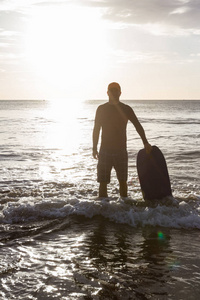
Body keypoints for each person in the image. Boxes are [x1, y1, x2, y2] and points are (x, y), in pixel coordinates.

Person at [92, 82, 152, 198]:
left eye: (116, 90)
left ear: (120, 93)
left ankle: (124, 210)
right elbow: (96, 129)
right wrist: (94, 148)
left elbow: (137, 125)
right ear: (107, 93)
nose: (114, 93)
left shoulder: (126, 109)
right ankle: (103, 210)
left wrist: (145, 142)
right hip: (104, 151)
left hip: (121, 151)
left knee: (123, 181)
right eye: (111, 90)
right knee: (103, 182)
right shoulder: (101, 109)